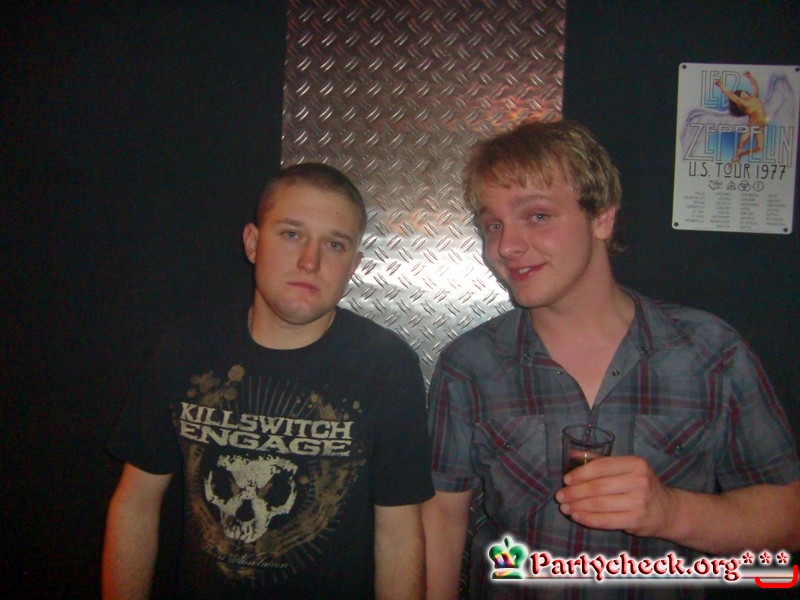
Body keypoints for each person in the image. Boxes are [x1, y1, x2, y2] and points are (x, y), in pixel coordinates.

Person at [421, 120, 800, 599]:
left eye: (536, 215)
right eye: (492, 225)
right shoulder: (470, 365)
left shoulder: (709, 352)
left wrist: (671, 512)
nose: (505, 247)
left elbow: (788, 518)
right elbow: (441, 518)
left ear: (602, 218)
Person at [102, 163, 433, 599]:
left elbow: (399, 533)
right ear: (253, 242)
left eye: (334, 244)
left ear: (354, 264)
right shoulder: (187, 349)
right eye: (292, 234)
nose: (310, 261)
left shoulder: (385, 366)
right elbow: (135, 505)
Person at [714, 71, 767, 162]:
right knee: (741, 144)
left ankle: (741, 155)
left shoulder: (754, 97)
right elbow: (730, 95)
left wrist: (750, 77)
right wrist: (720, 85)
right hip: (751, 126)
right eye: (740, 94)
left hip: (761, 126)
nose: (743, 93)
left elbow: (755, 86)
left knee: (759, 148)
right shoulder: (743, 103)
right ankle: (734, 160)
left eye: (743, 92)